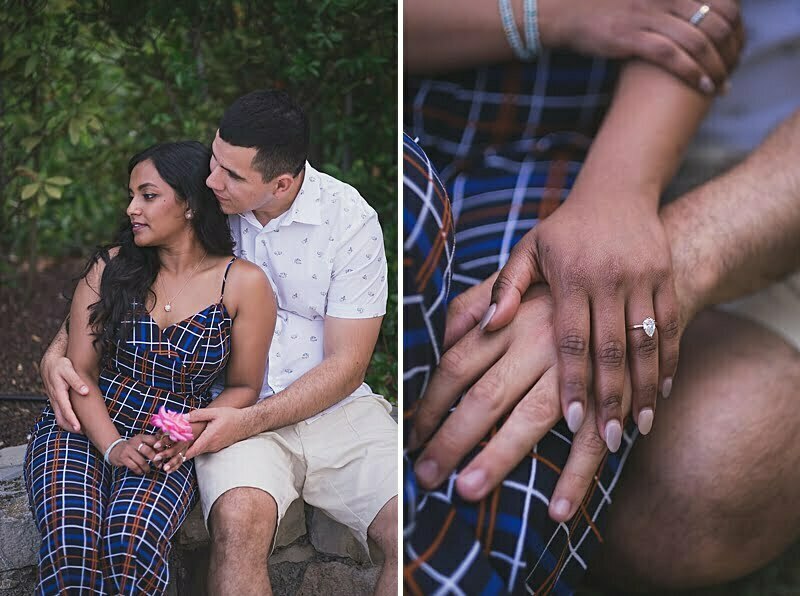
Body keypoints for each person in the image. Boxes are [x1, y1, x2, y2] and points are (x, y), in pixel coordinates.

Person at [404, 0, 744, 593]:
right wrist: (546, 14)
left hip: (559, 153)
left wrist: (616, 198)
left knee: (504, 475)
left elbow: (696, 21)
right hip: (403, 128)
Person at [40, 91, 398, 595]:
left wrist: (244, 418)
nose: (212, 181)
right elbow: (119, 277)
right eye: (214, 161)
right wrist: (56, 352)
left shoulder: (349, 220)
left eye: (231, 175)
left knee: (410, 533)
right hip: (228, 420)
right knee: (237, 531)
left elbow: (348, 365)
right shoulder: (206, 198)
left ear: (281, 183)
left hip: (327, 409)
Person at [24, 141, 276, 595]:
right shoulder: (110, 268)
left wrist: (185, 431)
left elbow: (243, 387)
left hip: (169, 440)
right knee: (72, 544)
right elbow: (80, 370)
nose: (132, 208)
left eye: (148, 195)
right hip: (84, 424)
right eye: (132, 195)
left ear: (190, 205)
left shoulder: (242, 283)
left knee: (130, 544)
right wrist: (114, 446)